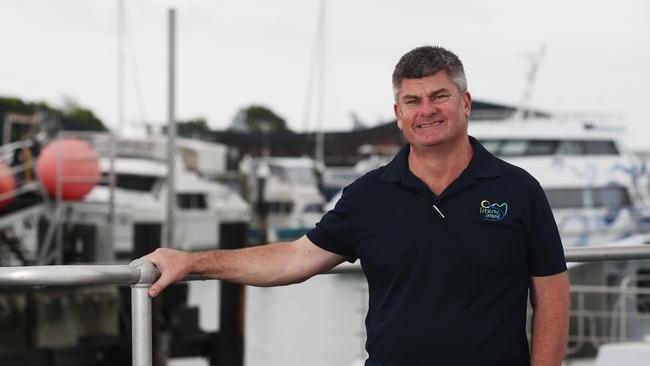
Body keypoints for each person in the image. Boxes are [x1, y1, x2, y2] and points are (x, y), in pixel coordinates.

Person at [143, 46, 570, 366]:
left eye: (439, 96)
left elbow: (551, 295)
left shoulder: (519, 190)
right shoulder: (369, 195)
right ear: (398, 113)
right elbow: (292, 259)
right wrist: (193, 262)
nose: (427, 111)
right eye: (413, 101)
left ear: (466, 103)